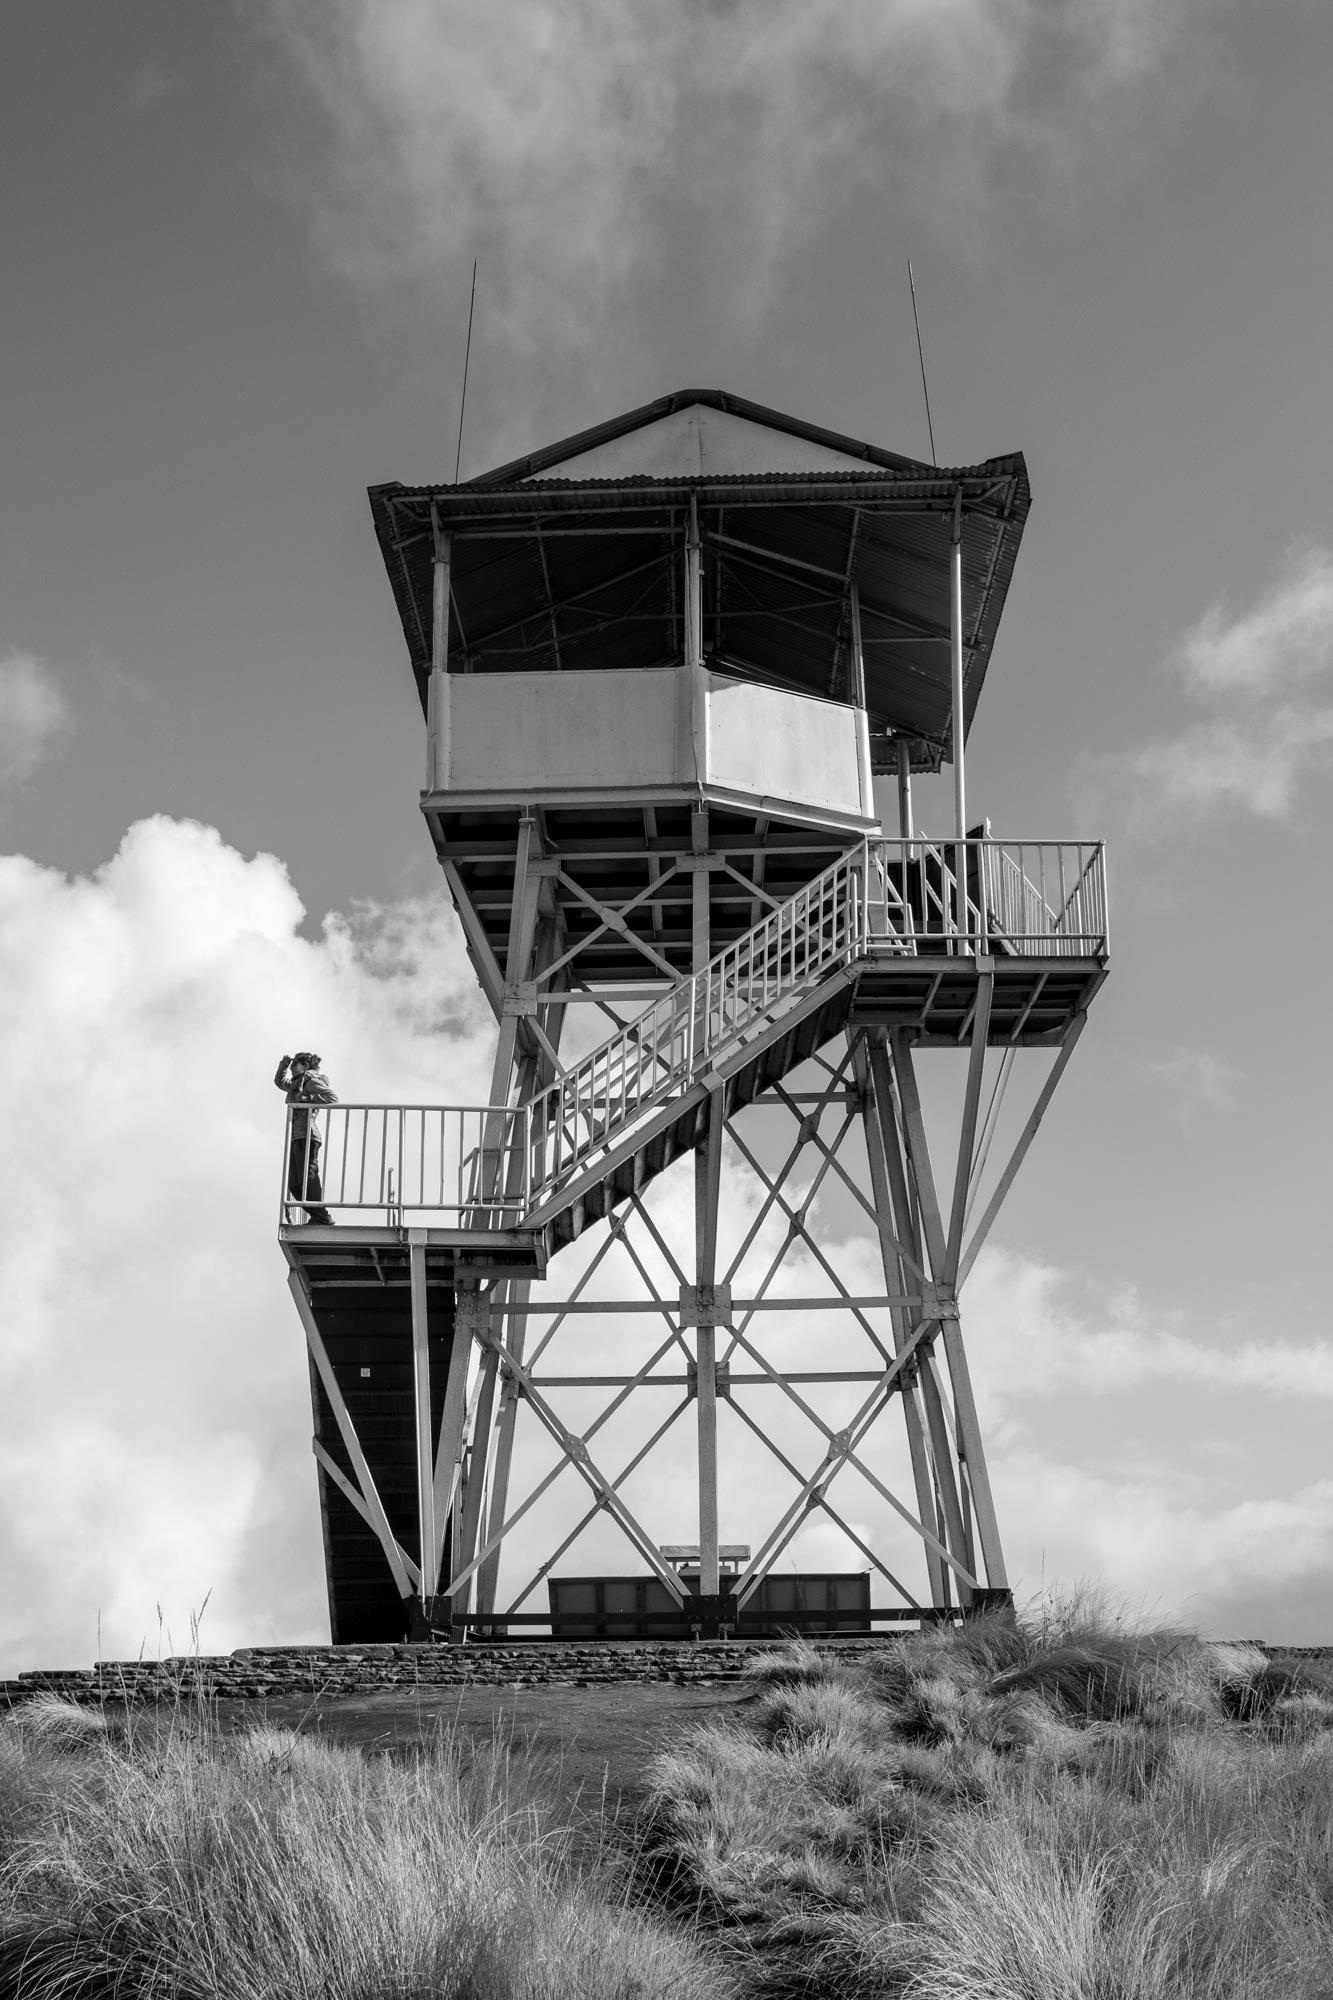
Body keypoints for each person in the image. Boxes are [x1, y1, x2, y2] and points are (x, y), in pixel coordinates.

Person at [275, 1051, 337, 1224]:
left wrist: (308, 1097)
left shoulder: (311, 1081)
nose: (293, 1067)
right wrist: (283, 1066)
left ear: (305, 1066)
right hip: (297, 1136)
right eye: (292, 1065)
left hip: (308, 1134)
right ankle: (318, 1216)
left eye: (295, 1064)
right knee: (294, 1184)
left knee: (308, 1179)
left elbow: (332, 1098)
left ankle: (322, 1217)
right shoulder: (297, 1083)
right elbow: (280, 1083)